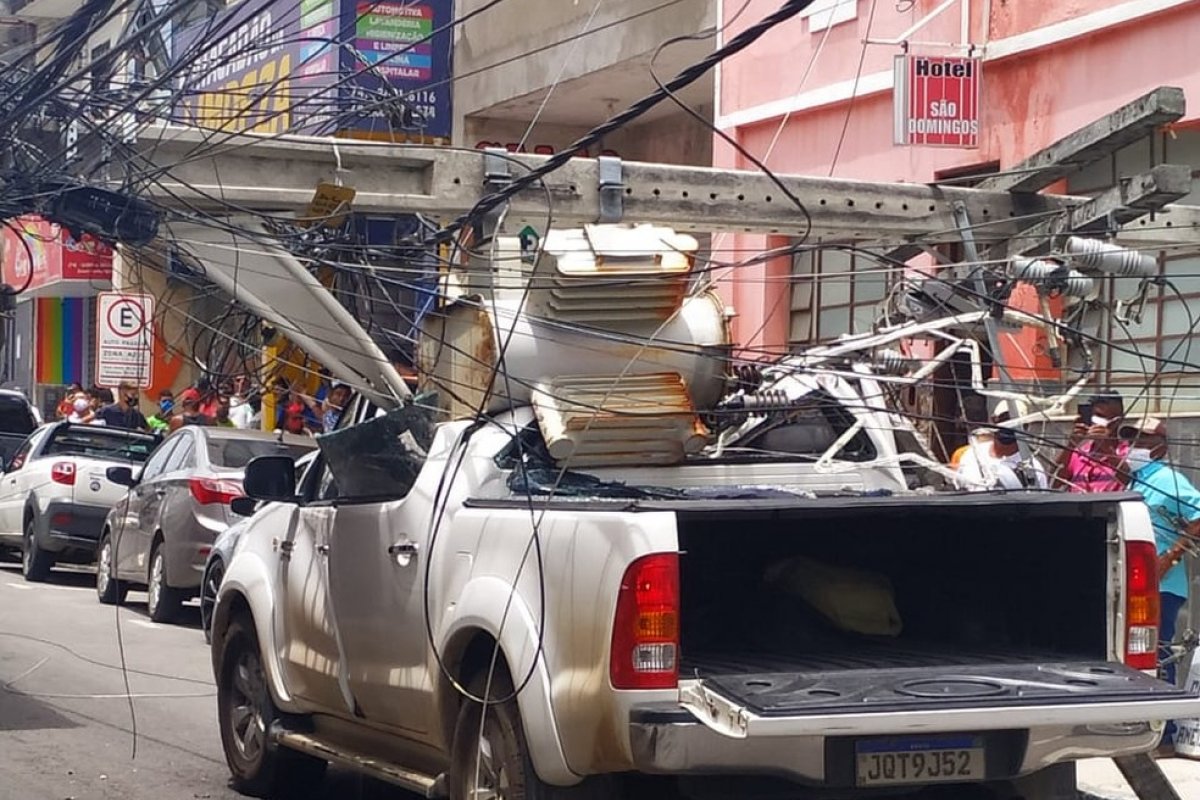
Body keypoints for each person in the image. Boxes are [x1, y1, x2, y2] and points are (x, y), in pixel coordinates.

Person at [1118, 416, 1200, 753]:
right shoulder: (1135, 478)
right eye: (1131, 439)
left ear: (1160, 446)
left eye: (1142, 439)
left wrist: (1172, 556)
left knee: (1157, 651)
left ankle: (1162, 732)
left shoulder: (1168, 479)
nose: (1135, 446)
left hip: (1163, 583)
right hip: (1132, 579)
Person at [955, 409, 1049, 491]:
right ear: (993, 421)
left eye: (1016, 423)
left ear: (1026, 427)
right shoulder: (971, 455)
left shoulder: (1033, 470)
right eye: (1005, 420)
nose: (1009, 427)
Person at [1054, 392, 1129, 492]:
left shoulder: (1128, 452)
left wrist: (1107, 449)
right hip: (1078, 506)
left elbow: (1129, 479)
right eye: (1092, 415)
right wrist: (1071, 445)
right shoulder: (1079, 453)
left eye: (1101, 416)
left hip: (1110, 506)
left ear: (1117, 421)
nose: (1095, 421)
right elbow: (1054, 482)